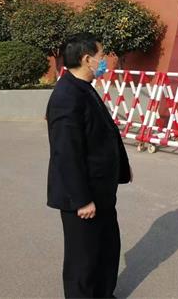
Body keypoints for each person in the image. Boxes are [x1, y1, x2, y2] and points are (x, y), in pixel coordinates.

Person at [46, 33, 132, 298]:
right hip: (83, 198)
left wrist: (122, 167)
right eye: (101, 55)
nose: (103, 61)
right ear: (87, 59)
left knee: (106, 249)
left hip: (101, 191)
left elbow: (104, 134)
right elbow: (65, 154)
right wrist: (81, 199)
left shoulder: (83, 88)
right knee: (83, 260)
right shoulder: (66, 96)